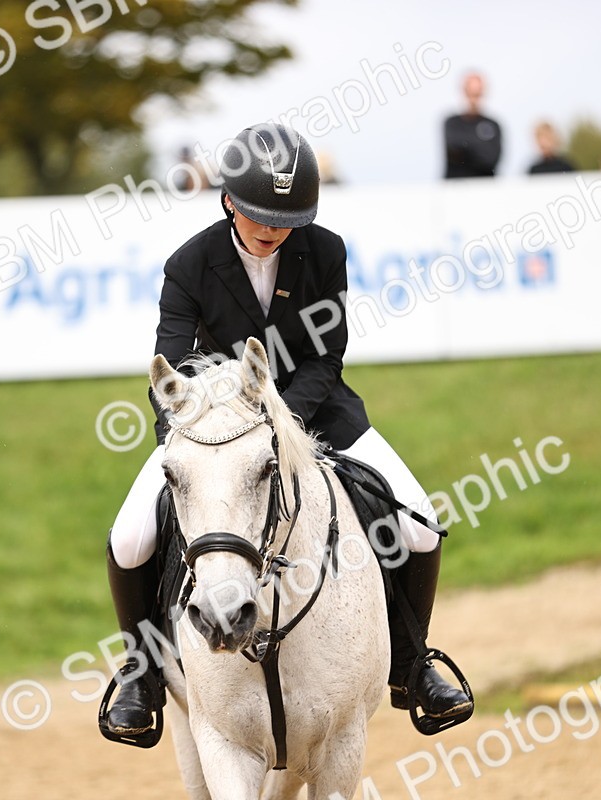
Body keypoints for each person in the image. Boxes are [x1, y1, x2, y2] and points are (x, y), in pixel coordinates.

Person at [103, 123, 473, 741]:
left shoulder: (324, 252)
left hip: (316, 409)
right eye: (259, 216)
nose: (273, 228)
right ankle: (142, 676)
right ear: (229, 202)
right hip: (213, 426)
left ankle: (413, 666)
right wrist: (207, 426)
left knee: (418, 523)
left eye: (286, 217)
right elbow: (168, 373)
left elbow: (328, 358)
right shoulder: (190, 265)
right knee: (130, 536)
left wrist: (282, 421)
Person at [443, 72, 502, 178]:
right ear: (464, 92)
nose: (473, 99)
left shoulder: (493, 125)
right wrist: (480, 146)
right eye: (470, 93)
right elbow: (453, 150)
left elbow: (491, 159)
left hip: (484, 188)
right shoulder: (452, 123)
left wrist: (466, 148)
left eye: (477, 94)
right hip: (455, 188)